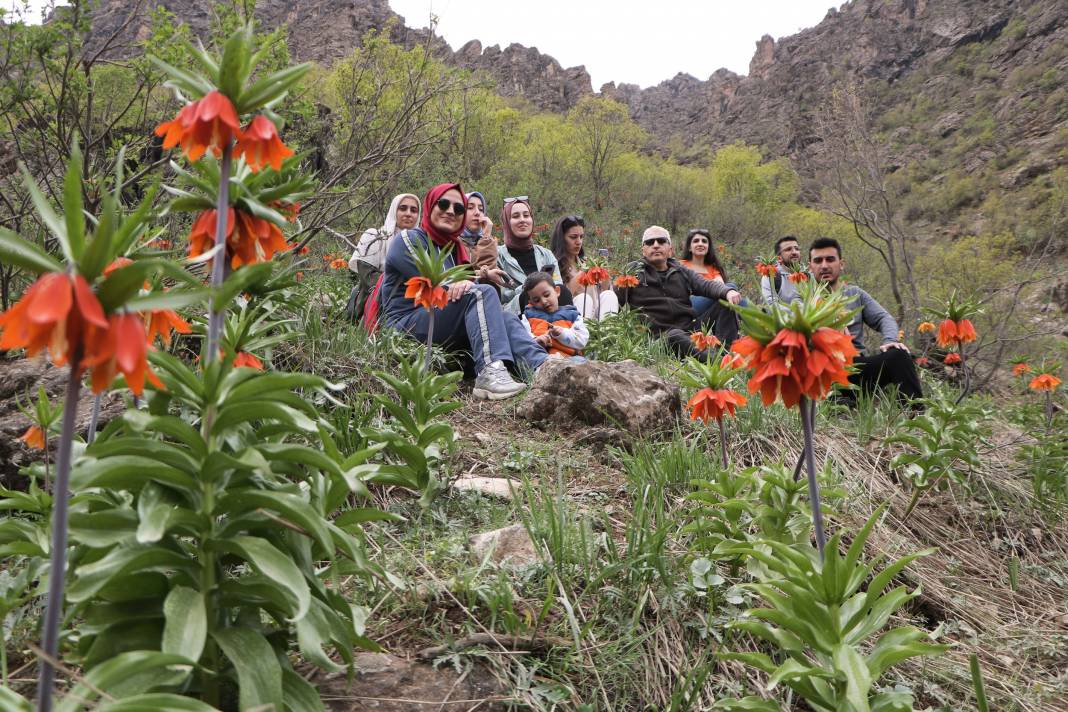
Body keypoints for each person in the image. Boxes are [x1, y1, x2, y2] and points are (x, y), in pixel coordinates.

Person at [380, 183, 547, 400]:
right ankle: (490, 372)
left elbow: (457, 287)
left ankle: (543, 368)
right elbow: (436, 280)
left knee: (504, 316)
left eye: (459, 209)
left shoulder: (453, 249)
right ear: (430, 206)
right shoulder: (409, 239)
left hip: (439, 324)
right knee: (481, 294)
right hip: (406, 325)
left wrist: (476, 278)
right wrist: (469, 283)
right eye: (443, 204)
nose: (451, 211)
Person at [807, 237, 923, 403]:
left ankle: (916, 414)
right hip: (821, 369)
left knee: (899, 355)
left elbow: (884, 318)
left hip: (856, 367)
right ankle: (836, 402)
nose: (824, 265)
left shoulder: (854, 293)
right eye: (818, 260)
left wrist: (890, 340)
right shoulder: (803, 297)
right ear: (810, 266)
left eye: (830, 259)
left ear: (841, 264)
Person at [615, 225, 741, 360]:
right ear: (644, 250)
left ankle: (726, 353)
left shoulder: (679, 269)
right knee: (674, 335)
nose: (656, 245)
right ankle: (720, 363)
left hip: (688, 331)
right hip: (658, 339)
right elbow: (613, 302)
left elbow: (704, 285)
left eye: (661, 241)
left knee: (724, 302)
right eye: (650, 242)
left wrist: (728, 291)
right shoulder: (633, 271)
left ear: (670, 249)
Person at [346, 193, 419, 321]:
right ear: (394, 210)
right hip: (374, 306)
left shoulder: (421, 244)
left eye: (413, 210)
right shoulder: (374, 236)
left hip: (411, 307)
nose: (408, 213)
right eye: (403, 208)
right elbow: (368, 277)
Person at [496, 197, 572, 314]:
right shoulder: (497, 256)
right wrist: (528, 287)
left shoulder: (545, 254)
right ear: (506, 222)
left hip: (550, 308)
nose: (522, 220)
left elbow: (557, 284)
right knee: (530, 294)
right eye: (516, 216)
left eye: (526, 215)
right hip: (516, 313)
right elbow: (501, 297)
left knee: (562, 290)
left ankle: (566, 327)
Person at [550, 214, 618, 320]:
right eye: (573, 237)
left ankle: (608, 333)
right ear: (562, 238)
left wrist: (604, 273)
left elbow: (604, 291)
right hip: (572, 317)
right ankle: (583, 335)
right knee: (583, 298)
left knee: (609, 295)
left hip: (595, 316)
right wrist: (584, 271)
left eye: (581, 237)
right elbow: (562, 297)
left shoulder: (585, 262)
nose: (579, 242)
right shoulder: (554, 265)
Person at [521, 271, 589, 358]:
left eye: (546, 295)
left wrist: (562, 333)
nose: (544, 301)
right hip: (541, 359)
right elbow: (522, 336)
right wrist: (535, 340)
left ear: (557, 291)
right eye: (537, 300)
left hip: (569, 358)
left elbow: (582, 340)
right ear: (531, 303)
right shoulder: (528, 316)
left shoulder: (572, 315)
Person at [460, 191, 504, 285]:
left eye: (481, 209)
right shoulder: (453, 243)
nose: (477, 213)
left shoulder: (487, 241)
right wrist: (484, 274)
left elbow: (492, 280)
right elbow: (460, 277)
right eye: (470, 208)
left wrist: (486, 236)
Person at [680, 229, 728, 315]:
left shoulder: (713, 268)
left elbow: (721, 285)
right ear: (689, 247)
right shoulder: (680, 265)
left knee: (730, 288)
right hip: (689, 305)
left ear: (708, 247)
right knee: (730, 290)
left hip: (710, 309)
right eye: (696, 241)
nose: (700, 244)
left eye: (704, 241)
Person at [760, 235, 804, 306]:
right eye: (788, 249)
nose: (794, 252)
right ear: (779, 258)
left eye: (797, 249)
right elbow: (770, 304)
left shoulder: (808, 275)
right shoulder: (771, 276)